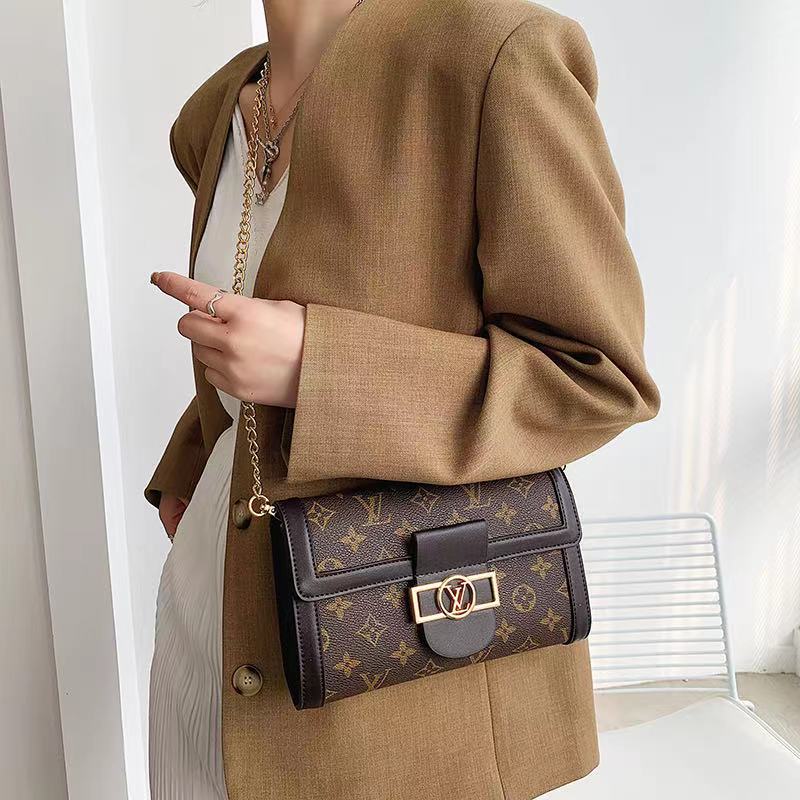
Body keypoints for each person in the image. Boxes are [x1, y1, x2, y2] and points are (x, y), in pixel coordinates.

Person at [145, 0, 660, 798]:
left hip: (403, 684)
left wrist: (319, 366)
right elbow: (243, 312)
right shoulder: (215, 110)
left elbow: (593, 378)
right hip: (207, 626)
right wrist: (191, 466)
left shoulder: (495, 56)